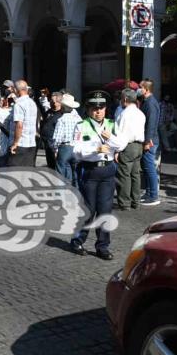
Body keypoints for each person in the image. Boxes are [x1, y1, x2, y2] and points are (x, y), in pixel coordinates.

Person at [69, 91, 117, 260]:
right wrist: (95, 149)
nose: (98, 111)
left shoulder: (112, 124)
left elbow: (122, 143)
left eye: (101, 108)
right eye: (94, 108)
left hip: (108, 170)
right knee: (89, 209)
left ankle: (102, 246)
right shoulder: (81, 125)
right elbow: (76, 150)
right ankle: (77, 239)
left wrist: (112, 140)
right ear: (88, 109)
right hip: (89, 170)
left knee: (105, 211)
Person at [101, 89, 145, 211]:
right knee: (135, 174)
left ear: (125, 99)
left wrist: (117, 150)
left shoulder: (124, 114)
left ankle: (125, 203)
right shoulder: (140, 113)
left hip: (127, 146)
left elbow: (121, 134)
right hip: (138, 145)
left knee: (124, 175)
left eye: (121, 98)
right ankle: (136, 201)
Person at [138, 79, 161, 206]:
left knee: (149, 167)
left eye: (140, 87)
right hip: (149, 139)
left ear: (146, 89)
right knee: (146, 167)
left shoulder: (151, 103)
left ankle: (153, 195)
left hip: (150, 140)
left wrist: (147, 141)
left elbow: (151, 124)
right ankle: (148, 192)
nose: (138, 89)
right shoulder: (147, 101)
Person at [52, 93, 82, 186]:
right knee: (73, 170)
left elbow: (57, 137)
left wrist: (55, 149)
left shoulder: (61, 120)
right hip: (76, 146)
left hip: (64, 147)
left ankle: (60, 193)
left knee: (60, 171)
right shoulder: (78, 119)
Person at [8, 80, 38, 167]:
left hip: (20, 144)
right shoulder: (32, 103)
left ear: (16, 90)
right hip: (31, 143)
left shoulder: (19, 104)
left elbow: (19, 125)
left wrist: (15, 143)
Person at [40, 92, 64, 169]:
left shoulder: (62, 114)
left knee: (55, 165)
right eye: (50, 100)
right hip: (47, 142)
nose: (50, 102)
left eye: (52, 101)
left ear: (58, 102)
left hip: (54, 144)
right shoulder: (49, 112)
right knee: (50, 164)